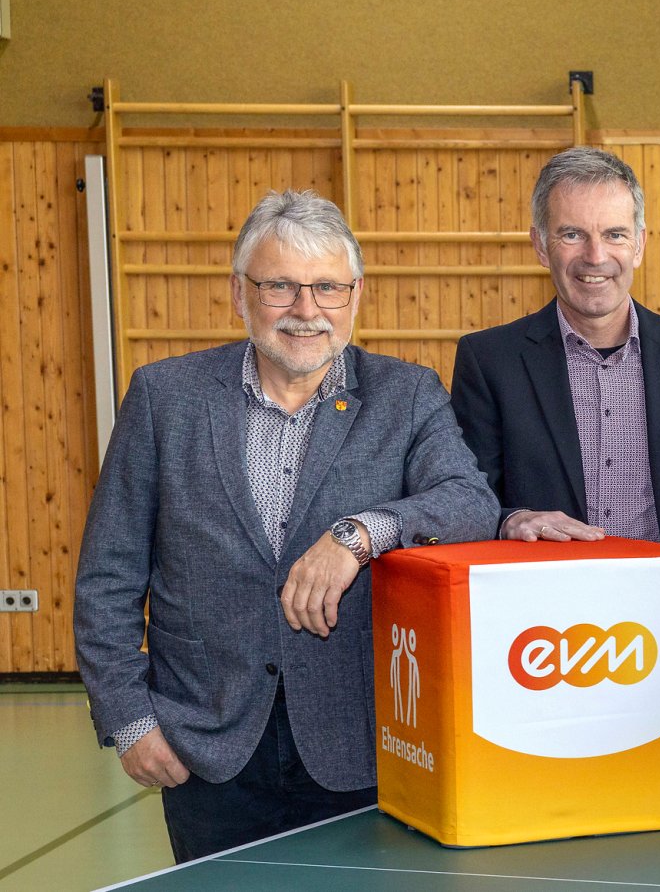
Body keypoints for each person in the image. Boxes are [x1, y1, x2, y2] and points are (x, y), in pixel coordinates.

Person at [72, 191, 499, 862]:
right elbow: (108, 575)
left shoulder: (407, 394)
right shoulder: (164, 396)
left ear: (356, 294)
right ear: (240, 294)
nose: (307, 311)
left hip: (360, 748)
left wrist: (359, 535)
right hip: (206, 749)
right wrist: (130, 719)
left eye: (327, 287)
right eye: (281, 287)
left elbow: (471, 504)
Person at [450, 147, 660, 782]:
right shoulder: (489, 362)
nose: (596, 256)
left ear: (641, 242)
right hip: (536, 665)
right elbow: (462, 504)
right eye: (573, 234)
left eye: (614, 233)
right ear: (541, 244)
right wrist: (511, 519)